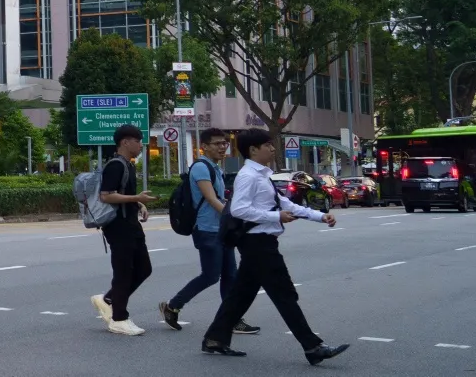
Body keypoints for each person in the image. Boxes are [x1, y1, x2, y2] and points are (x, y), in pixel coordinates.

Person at [202, 128, 347, 364]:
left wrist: (320, 216)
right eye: (267, 145)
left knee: (241, 295)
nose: (272, 148)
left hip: (261, 242)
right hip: (257, 244)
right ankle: (312, 347)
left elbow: (286, 204)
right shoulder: (248, 176)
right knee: (284, 294)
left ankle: (215, 338)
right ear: (253, 150)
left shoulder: (262, 175)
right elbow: (239, 209)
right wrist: (275, 217)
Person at [159, 131, 257, 335]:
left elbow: (220, 198)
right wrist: (234, 219)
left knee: (230, 276)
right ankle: (172, 306)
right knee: (211, 275)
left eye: (224, 143)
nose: (222, 147)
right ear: (204, 146)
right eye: (217, 144)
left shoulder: (214, 167)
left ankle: (232, 319)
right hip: (206, 230)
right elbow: (212, 199)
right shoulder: (201, 168)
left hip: (220, 229)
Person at [91, 123, 154, 335]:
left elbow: (122, 193)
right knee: (123, 272)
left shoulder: (129, 165)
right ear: (125, 142)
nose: (141, 145)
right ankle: (119, 318)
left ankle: (109, 299)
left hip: (131, 224)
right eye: (138, 141)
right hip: (118, 227)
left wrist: (139, 203)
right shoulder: (115, 165)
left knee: (144, 269)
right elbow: (106, 195)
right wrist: (136, 197)